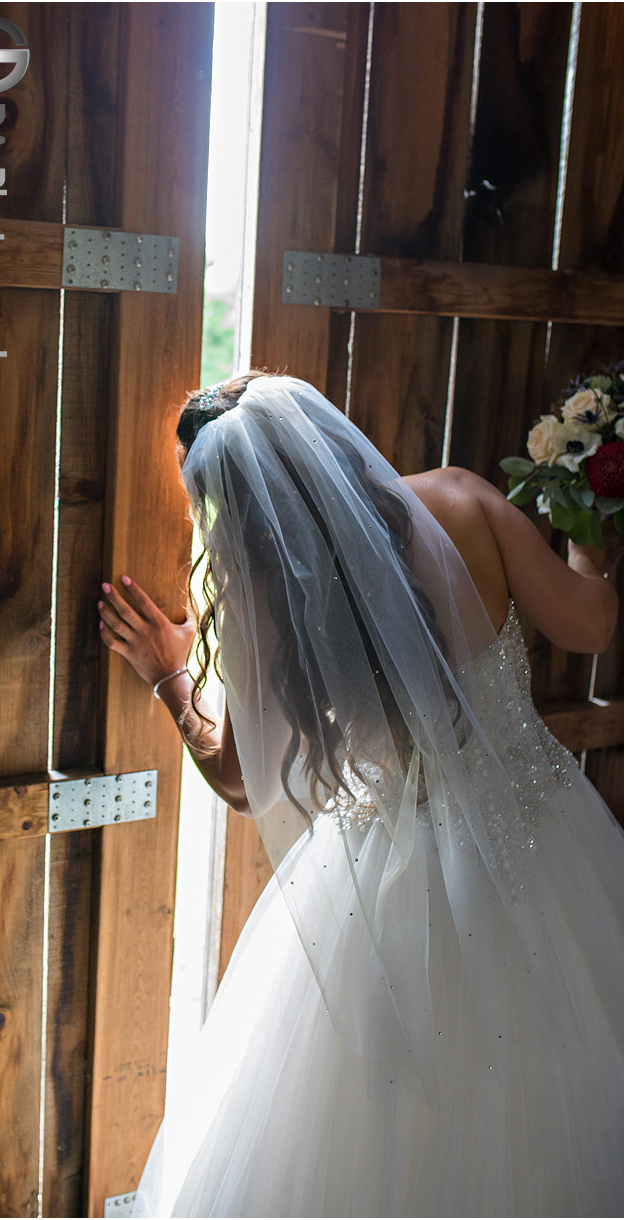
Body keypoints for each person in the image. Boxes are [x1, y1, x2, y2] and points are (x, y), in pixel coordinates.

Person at [98, 373, 623, 1218]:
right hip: (544, 842)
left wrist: (168, 674)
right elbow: (592, 626)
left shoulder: (271, 593)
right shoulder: (462, 498)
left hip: (385, 887)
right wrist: (587, 536)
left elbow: (240, 782)